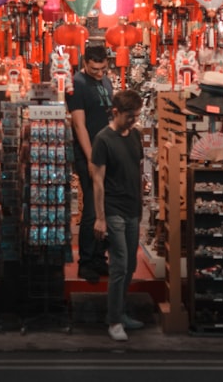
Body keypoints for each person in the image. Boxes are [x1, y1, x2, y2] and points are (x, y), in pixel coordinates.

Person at [91, 88, 145, 342]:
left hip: (134, 209)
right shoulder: (103, 139)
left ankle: (119, 313)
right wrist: (100, 217)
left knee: (131, 265)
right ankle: (113, 320)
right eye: (129, 116)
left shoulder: (136, 136)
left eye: (136, 116)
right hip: (114, 210)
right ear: (115, 112)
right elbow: (98, 181)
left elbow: (138, 168)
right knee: (120, 264)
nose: (133, 121)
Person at [66, 44, 113, 283]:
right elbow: (78, 125)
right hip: (90, 154)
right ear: (85, 64)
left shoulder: (106, 81)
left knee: (106, 207)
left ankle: (98, 258)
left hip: (108, 152)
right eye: (94, 69)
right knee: (92, 210)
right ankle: (86, 261)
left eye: (103, 68)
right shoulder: (78, 84)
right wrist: (90, 157)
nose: (99, 72)